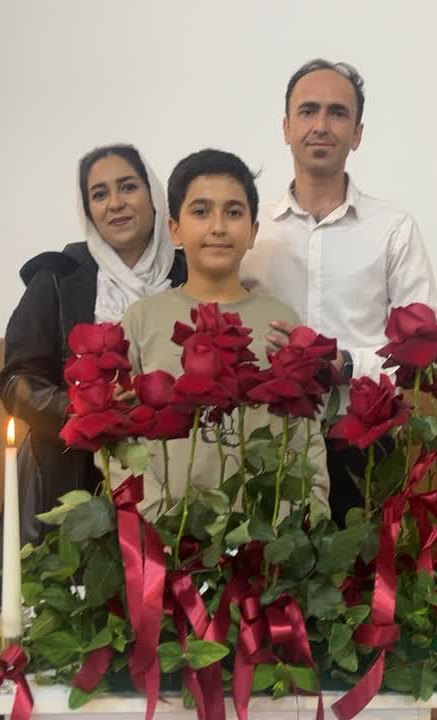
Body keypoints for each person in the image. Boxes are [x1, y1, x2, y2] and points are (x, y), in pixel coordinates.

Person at [0, 144, 186, 694]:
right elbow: (17, 380)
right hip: (67, 478)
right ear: (87, 208)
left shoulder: (188, 271)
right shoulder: (58, 276)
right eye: (99, 193)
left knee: (164, 647)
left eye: (128, 186)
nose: (116, 202)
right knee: (63, 644)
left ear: (154, 196)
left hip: (175, 477)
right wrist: (89, 414)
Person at [241, 59, 437, 526]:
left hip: (362, 440)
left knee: (358, 569)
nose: (321, 125)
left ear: (357, 134)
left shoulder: (393, 229)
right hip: (262, 439)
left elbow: (425, 352)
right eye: (308, 111)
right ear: (286, 127)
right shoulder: (251, 230)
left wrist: (347, 364)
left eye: (337, 113)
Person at [121, 148, 328, 513]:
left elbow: (305, 437)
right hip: (164, 531)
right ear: (174, 229)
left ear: (253, 231)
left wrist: (301, 519)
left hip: (265, 532)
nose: (218, 226)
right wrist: (157, 523)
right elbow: (120, 441)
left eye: (233, 213)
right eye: (201, 212)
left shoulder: (280, 320)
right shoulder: (141, 320)